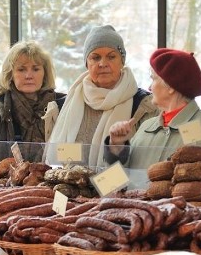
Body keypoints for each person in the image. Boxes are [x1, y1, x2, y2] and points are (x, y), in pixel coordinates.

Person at [46, 25, 157, 167]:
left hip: (121, 188)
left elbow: (144, 163)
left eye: (111, 57)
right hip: (68, 186)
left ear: (122, 62)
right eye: (95, 57)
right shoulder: (63, 105)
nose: (103, 64)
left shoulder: (145, 106)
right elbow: (53, 161)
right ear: (87, 63)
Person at [106, 48, 201, 169]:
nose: (149, 87)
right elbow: (117, 182)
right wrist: (116, 146)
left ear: (170, 86)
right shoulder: (146, 127)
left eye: (153, 79)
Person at [0, 40, 64, 162]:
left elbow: (75, 156)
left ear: (45, 74)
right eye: (21, 69)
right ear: (10, 74)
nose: (29, 75)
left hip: (53, 180)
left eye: (35, 69)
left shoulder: (63, 107)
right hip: (2, 181)